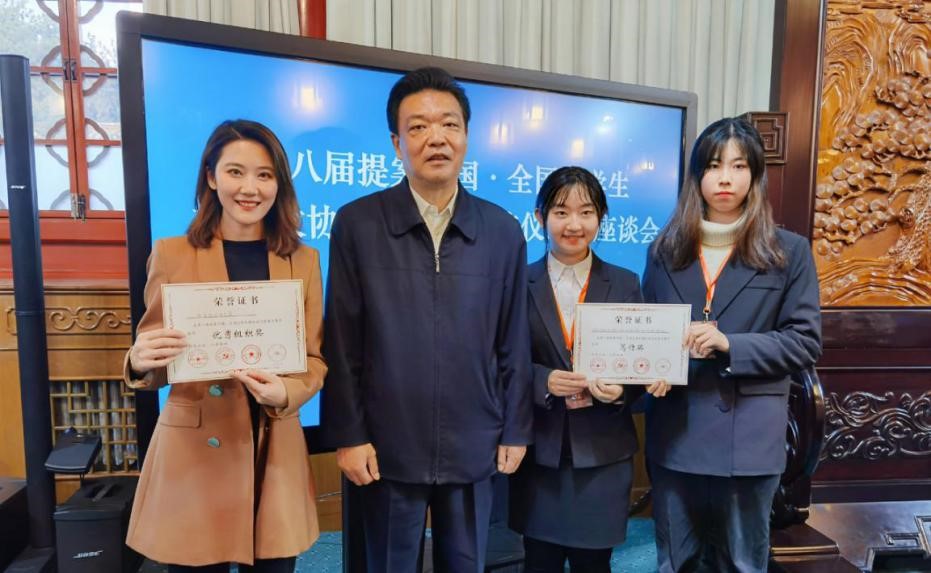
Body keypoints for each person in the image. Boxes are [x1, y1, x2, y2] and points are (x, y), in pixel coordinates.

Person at [322, 66, 532, 572]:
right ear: (397, 143)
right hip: (386, 443)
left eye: (449, 124)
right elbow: (342, 342)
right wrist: (349, 435)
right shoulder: (359, 223)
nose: (436, 138)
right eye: (418, 126)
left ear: (466, 136)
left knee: (467, 563)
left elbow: (514, 342)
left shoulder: (502, 231)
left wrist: (515, 429)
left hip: (474, 439)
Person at [124, 119, 327, 572]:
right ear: (211, 177)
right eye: (235, 172)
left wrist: (287, 391)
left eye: (264, 175)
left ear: (279, 184)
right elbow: (155, 357)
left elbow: (313, 359)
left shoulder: (303, 260)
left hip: (273, 445)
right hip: (196, 451)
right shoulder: (172, 253)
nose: (250, 188)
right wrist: (139, 360)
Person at [642, 117, 822, 572]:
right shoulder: (664, 251)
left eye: (739, 166)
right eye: (713, 166)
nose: (725, 178)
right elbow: (648, 332)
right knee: (675, 562)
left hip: (748, 440)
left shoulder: (788, 251)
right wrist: (650, 370)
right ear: (696, 177)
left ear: (755, 176)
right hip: (676, 434)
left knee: (743, 564)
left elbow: (804, 342)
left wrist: (730, 344)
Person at [508, 166, 669, 572]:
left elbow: (640, 358)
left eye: (586, 212)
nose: (574, 225)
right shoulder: (516, 282)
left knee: (594, 563)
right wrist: (544, 380)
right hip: (540, 452)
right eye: (561, 212)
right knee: (539, 562)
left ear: (601, 217)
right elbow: (500, 358)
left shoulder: (625, 282)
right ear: (540, 217)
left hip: (603, 451)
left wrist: (623, 391)